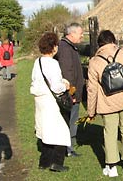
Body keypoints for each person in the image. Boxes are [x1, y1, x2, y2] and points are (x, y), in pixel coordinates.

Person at [87, 30, 123, 177]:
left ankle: (111, 166)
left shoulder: (94, 61)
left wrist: (91, 111)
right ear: (114, 40)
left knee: (110, 133)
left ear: (99, 44)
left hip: (107, 103)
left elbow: (92, 89)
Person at [30, 32, 71, 172]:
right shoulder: (53, 64)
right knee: (61, 130)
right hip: (50, 100)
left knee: (45, 131)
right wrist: (65, 85)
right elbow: (56, 86)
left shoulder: (38, 62)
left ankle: (44, 161)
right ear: (53, 47)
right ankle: (57, 162)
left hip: (40, 99)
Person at [54, 23, 85, 157]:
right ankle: (68, 149)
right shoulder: (66, 48)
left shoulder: (68, 47)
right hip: (70, 93)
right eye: (80, 33)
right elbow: (68, 72)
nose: (82, 36)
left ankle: (67, 147)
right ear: (72, 34)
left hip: (72, 91)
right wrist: (71, 93)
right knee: (70, 120)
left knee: (70, 119)